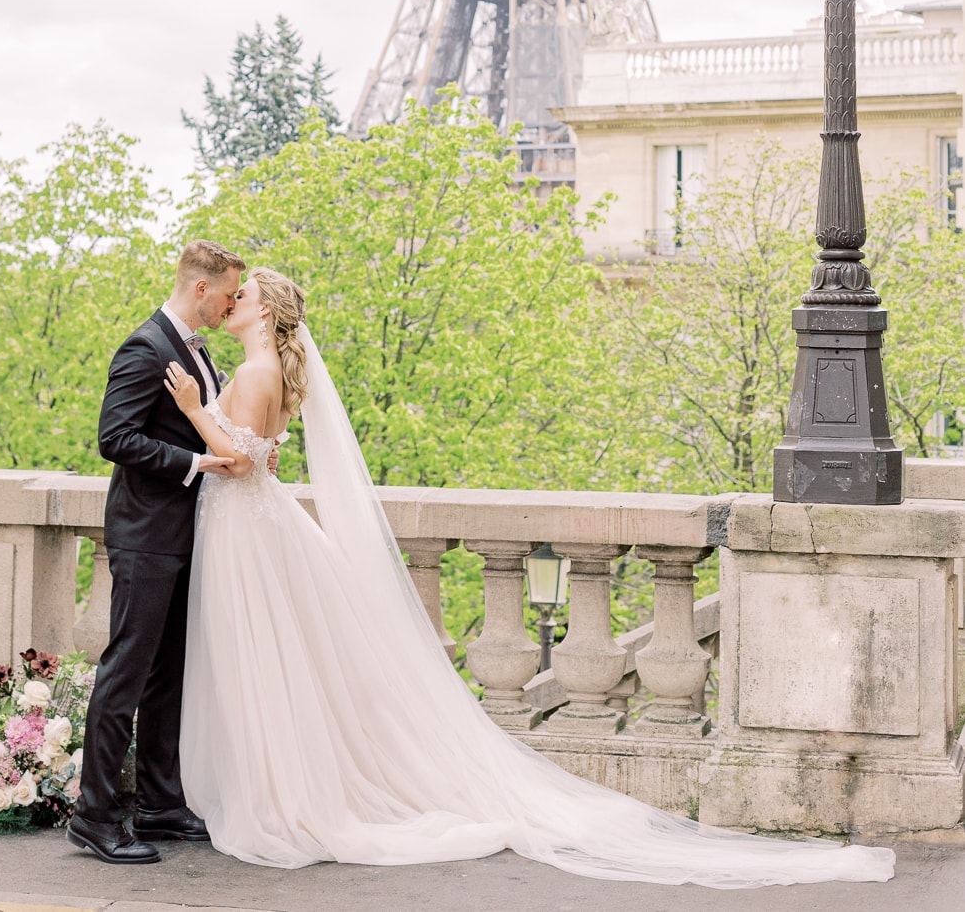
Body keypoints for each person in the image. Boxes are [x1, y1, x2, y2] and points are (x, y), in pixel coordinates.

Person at [165, 266, 895, 890]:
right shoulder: (257, 368)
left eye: (244, 293)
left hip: (251, 524)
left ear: (265, 308)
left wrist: (198, 414)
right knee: (274, 665)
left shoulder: (257, 373)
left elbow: (248, 462)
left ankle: (278, 791)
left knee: (267, 663)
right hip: (253, 529)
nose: (232, 302)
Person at [69, 239, 246, 865]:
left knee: (167, 674)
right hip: (144, 536)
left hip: (182, 537)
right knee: (125, 672)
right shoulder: (146, 347)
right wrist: (197, 462)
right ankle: (93, 814)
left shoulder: (195, 350)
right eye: (227, 294)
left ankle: (161, 803)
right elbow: (114, 437)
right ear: (201, 288)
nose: (231, 307)